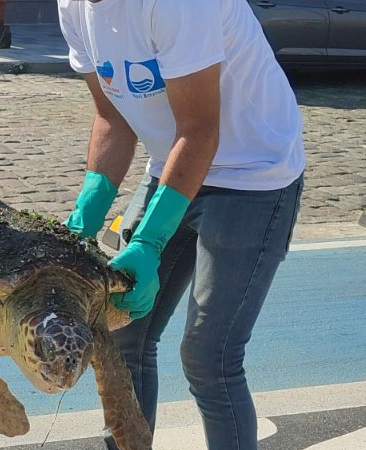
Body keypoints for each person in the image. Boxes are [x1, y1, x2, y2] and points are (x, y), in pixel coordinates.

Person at [58, 0, 305, 448]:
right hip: (169, 164)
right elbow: (112, 120)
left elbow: (200, 129)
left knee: (209, 357)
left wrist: (150, 240)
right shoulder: (74, 6)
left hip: (254, 174)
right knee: (123, 334)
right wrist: (80, 225)